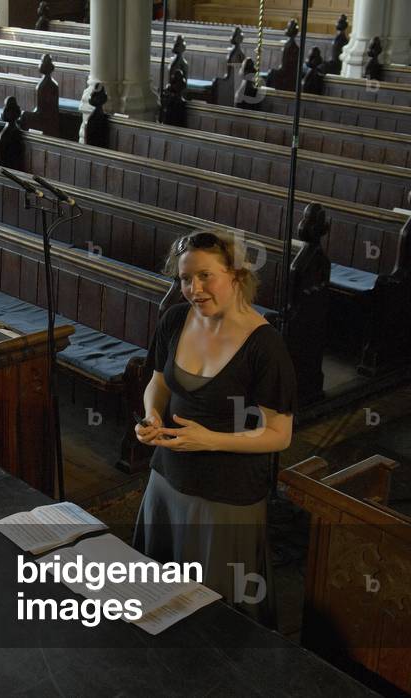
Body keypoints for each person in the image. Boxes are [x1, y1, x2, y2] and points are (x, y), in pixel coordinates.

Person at [132, 230, 297, 625]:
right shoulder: (174, 319)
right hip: (166, 481)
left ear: (237, 276)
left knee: (216, 622)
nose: (193, 288)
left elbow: (280, 434)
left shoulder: (265, 346)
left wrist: (210, 440)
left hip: (226, 499)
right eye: (186, 279)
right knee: (156, 601)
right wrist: (153, 415)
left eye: (206, 276)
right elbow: (159, 382)